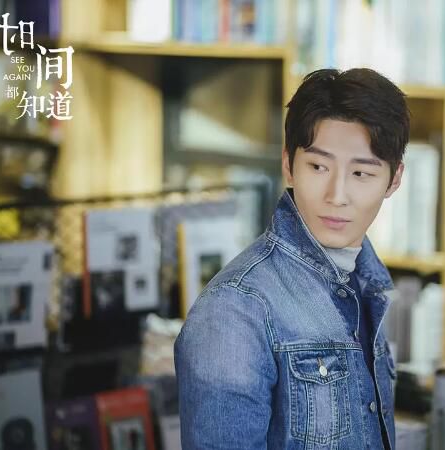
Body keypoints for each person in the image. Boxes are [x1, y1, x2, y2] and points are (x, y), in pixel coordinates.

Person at [174, 67, 410, 450]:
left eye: (361, 173)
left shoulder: (365, 282)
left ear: (394, 180)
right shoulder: (234, 310)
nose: (337, 195)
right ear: (288, 165)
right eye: (318, 167)